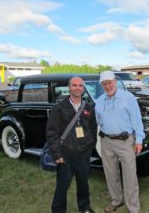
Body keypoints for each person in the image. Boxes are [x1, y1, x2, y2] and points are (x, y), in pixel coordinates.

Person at [95, 71, 145, 213]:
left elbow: (137, 120)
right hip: (105, 141)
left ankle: (133, 208)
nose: (107, 86)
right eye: (104, 84)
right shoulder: (99, 100)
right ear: (101, 85)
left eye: (109, 82)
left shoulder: (128, 98)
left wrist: (139, 140)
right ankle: (116, 200)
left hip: (125, 141)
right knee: (110, 174)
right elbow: (99, 121)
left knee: (129, 176)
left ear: (115, 81)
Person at [46, 76, 97, 213]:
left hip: (83, 154)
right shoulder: (60, 108)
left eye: (80, 86)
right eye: (74, 85)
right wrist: (57, 154)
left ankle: (84, 207)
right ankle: (57, 210)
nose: (77, 88)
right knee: (62, 185)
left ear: (83, 88)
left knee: (83, 183)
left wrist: (89, 146)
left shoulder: (88, 108)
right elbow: (52, 132)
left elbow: (93, 129)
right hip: (65, 153)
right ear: (69, 87)